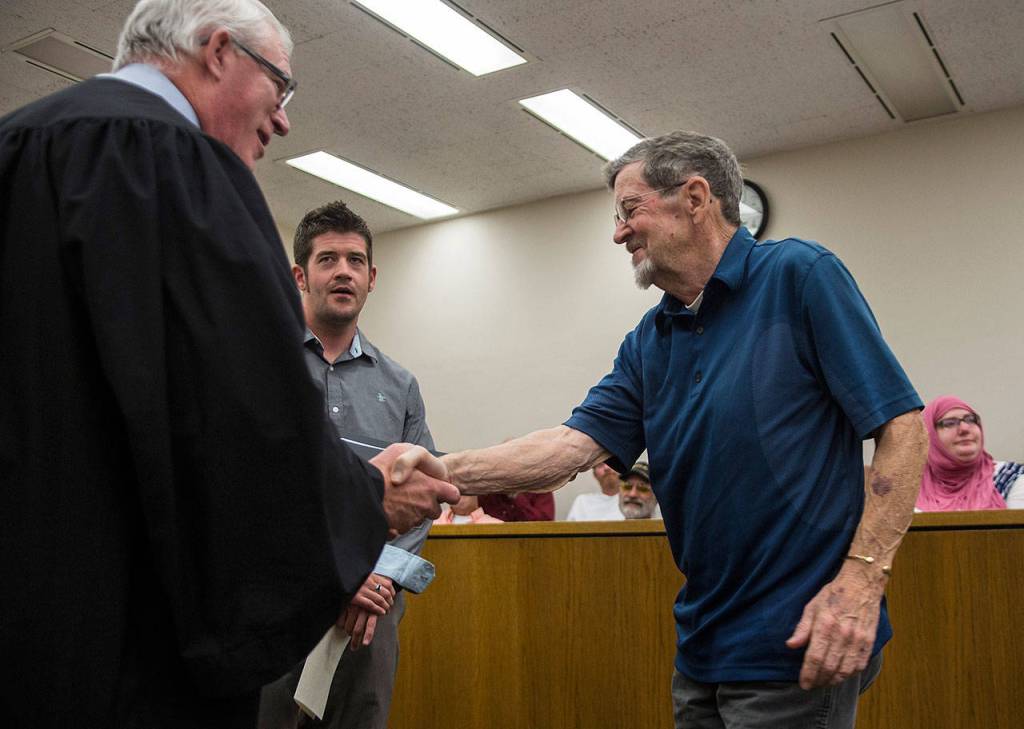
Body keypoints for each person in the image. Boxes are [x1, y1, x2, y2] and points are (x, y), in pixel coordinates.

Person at [0, 2, 458, 727]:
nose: (282, 121)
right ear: (218, 53)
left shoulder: (16, 145)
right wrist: (364, 498)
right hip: (124, 649)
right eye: (281, 90)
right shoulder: (184, 170)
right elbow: (242, 430)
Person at [391, 131, 929, 729]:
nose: (619, 233)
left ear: (695, 197)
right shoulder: (651, 337)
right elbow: (568, 448)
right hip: (703, 641)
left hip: (795, 637)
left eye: (630, 211)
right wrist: (439, 469)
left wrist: (861, 580)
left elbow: (902, 426)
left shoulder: (799, 275)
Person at [260, 201, 440, 729]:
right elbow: (248, 488)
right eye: (328, 259)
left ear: (371, 277)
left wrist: (375, 573)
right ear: (300, 275)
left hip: (370, 612)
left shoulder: (401, 385)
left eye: (356, 260)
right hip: (280, 603)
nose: (344, 271)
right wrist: (332, 574)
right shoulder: (262, 366)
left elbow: (422, 496)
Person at [917, 395, 1024, 511]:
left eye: (970, 420)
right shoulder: (907, 489)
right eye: (949, 423)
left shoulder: (1011, 478)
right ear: (930, 435)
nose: (964, 428)